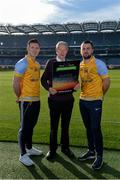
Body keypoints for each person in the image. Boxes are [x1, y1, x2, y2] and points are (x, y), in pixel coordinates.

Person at [41, 41, 77, 160]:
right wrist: (49, 88)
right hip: (54, 101)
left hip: (68, 100)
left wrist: (76, 86)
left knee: (65, 126)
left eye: (64, 49)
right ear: (56, 51)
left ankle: (65, 147)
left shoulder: (70, 63)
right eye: (59, 50)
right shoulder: (51, 62)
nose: (62, 52)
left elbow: (72, 81)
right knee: (54, 126)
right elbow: (43, 80)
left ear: (67, 51)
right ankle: (52, 150)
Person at [78, 40, 110, 170]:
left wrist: (100, 95)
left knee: (96, 128)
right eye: (83, 48)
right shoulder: (80, 64)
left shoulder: (99, 63)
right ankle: (91, 152)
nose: (86, 50)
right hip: (83, 100)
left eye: (88, 48)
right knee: (88, 128)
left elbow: (106, 81)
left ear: (92, 50)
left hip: (95, 101)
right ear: (81, 51)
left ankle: (99, 156)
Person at [13, 39, 43, 166]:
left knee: (32, 125)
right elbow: (15, 83)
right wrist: (19, 96)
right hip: (26, 101)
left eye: (37, 47)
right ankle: (22, 154)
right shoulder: (22, 63)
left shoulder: (37, 64)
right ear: (28, 48)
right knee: (24, 127)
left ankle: (29, 148)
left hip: (36, 100)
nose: (35, 49)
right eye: (32, 47)